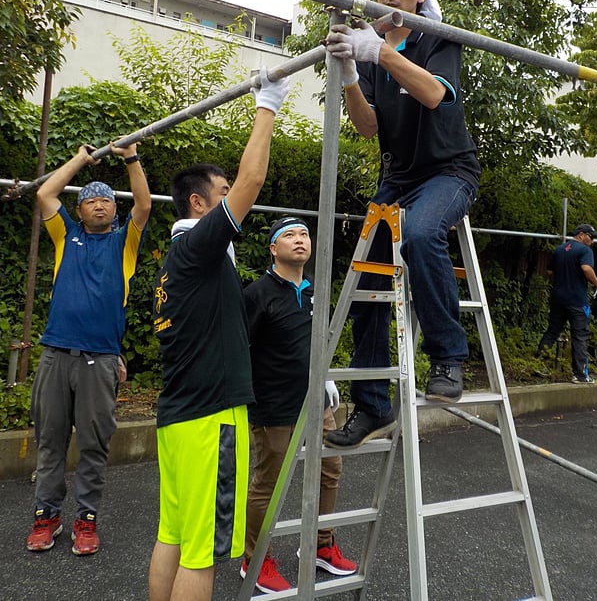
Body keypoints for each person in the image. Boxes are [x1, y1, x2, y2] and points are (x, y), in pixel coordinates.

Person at [324, 0, 481, 449]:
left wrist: (382, 53)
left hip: (449, 171)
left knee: (418, 233)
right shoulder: (372, 47)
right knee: (367, 276)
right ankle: (372, 404)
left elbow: (434, 95)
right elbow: (368, 126)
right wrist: (351, 72)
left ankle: (449, 356)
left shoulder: (439, 39)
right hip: (398, 177)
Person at [148, 68, 289, 601]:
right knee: (201, 555)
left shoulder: (174, 263)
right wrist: (267, 104)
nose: (231, 197)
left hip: (178, 421)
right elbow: (250, 184)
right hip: (210, 420)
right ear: (200, 205)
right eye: (221, 194)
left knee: (174, 538)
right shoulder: (198, 249)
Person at [26, 141, 151, 555]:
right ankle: (46, 515)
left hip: (99, 359)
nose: (99, 204)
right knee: (50, 440)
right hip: (56, 354)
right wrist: (83, 158)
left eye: (107, 201)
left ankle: (86, 519)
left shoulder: (124, 245)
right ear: (78, 210)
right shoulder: (65, 237)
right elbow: (45, 193)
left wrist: (131, 156)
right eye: (90, 200)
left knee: (95, 444)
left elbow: (145, 205)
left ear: (115, 211)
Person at [240, 216, 357, 593]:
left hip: (316, 403)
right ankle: (255, 559)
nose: (300, 240)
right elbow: (242, 347)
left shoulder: (314, 290)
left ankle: (322, 546)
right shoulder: (257, 294)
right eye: (288, 235)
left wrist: (326, 378)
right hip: (273, 406)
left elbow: (318, 339)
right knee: (269, 484)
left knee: (330, 469)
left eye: (304, 234)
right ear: (273, 249)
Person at [536, 222, 597, 383]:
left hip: (558, 298)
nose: (592, 241)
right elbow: (587, 269)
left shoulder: (559, 250)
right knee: (580, 336)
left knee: (552, 331)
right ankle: (581, 375)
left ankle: (537, 361)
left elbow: (549, 271)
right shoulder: (585, 250)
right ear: (581, 235)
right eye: (590, 237)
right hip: (577, 300)